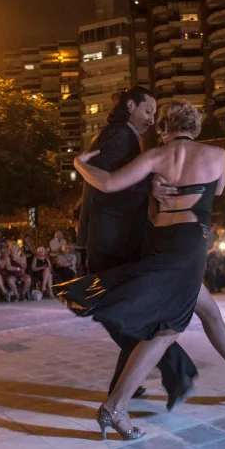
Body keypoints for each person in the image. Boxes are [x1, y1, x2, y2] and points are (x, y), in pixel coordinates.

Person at [59, 100, 225, 440]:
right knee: (168, 329)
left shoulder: (155, 157)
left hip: (162, 244)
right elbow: (218, 189)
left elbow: (108, 183)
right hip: (190, 247)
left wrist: (80, 164)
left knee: (210, 314)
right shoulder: (217, 155)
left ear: (165, 129)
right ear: (195, 127)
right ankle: (114, 407)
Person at [74, 86, 199, 409]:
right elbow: (106, 183)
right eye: (148, 110)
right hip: (113, 240)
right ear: (131, 106)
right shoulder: (120, 136)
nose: (152, 119)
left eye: (155, 114)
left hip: (113, 238)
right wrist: (149, 184)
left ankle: (135, 383)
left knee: (125, 311)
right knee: (119, 312)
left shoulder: (120, 136)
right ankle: (175, 371)